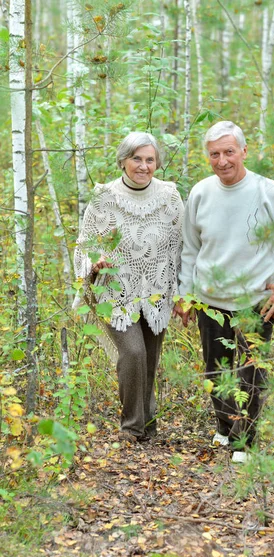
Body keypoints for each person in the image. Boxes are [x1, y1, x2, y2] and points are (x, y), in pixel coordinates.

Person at [175, 121, 274, 462]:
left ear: (244, 151)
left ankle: (247, 442)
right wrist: (185, 293)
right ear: (207, 156)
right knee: (216, 369)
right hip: (210, 301)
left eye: (229, 152)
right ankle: (226, 429)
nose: (223, 160)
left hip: (255, 302)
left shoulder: (268, 192)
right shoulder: (200, 193)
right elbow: (189, 250)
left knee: (250, 371)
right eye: (215, 154)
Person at [74, 132, 184, 442]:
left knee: (149, 359)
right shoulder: (104, 197)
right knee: (133, 354)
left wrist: (182, 291)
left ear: (157, 163)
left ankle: (148, 428)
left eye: (150, 160)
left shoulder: (170, 196)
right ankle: (132, 429)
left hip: (157, 289)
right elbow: (86, 244)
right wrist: (94, 263)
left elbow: (181, 245)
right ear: (123, 160)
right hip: (114, 292)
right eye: (137, 158)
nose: (144, 166)